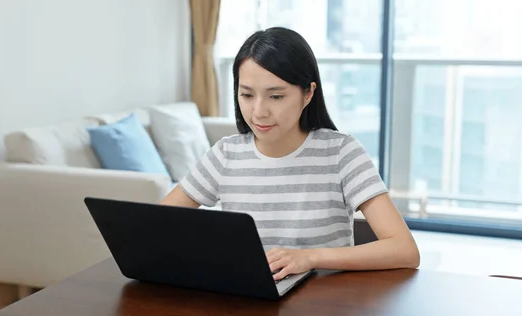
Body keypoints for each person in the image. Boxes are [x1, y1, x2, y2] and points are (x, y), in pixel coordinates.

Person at [161, 27, 420, 281]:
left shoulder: (341, 152)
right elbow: (155, 226)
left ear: (308, 93)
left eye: (275, 96)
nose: (259, 111)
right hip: (247, 297)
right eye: (247, 95)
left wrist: (310, 257)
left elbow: (404, 250)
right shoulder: (225, 154)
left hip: (326, 301)